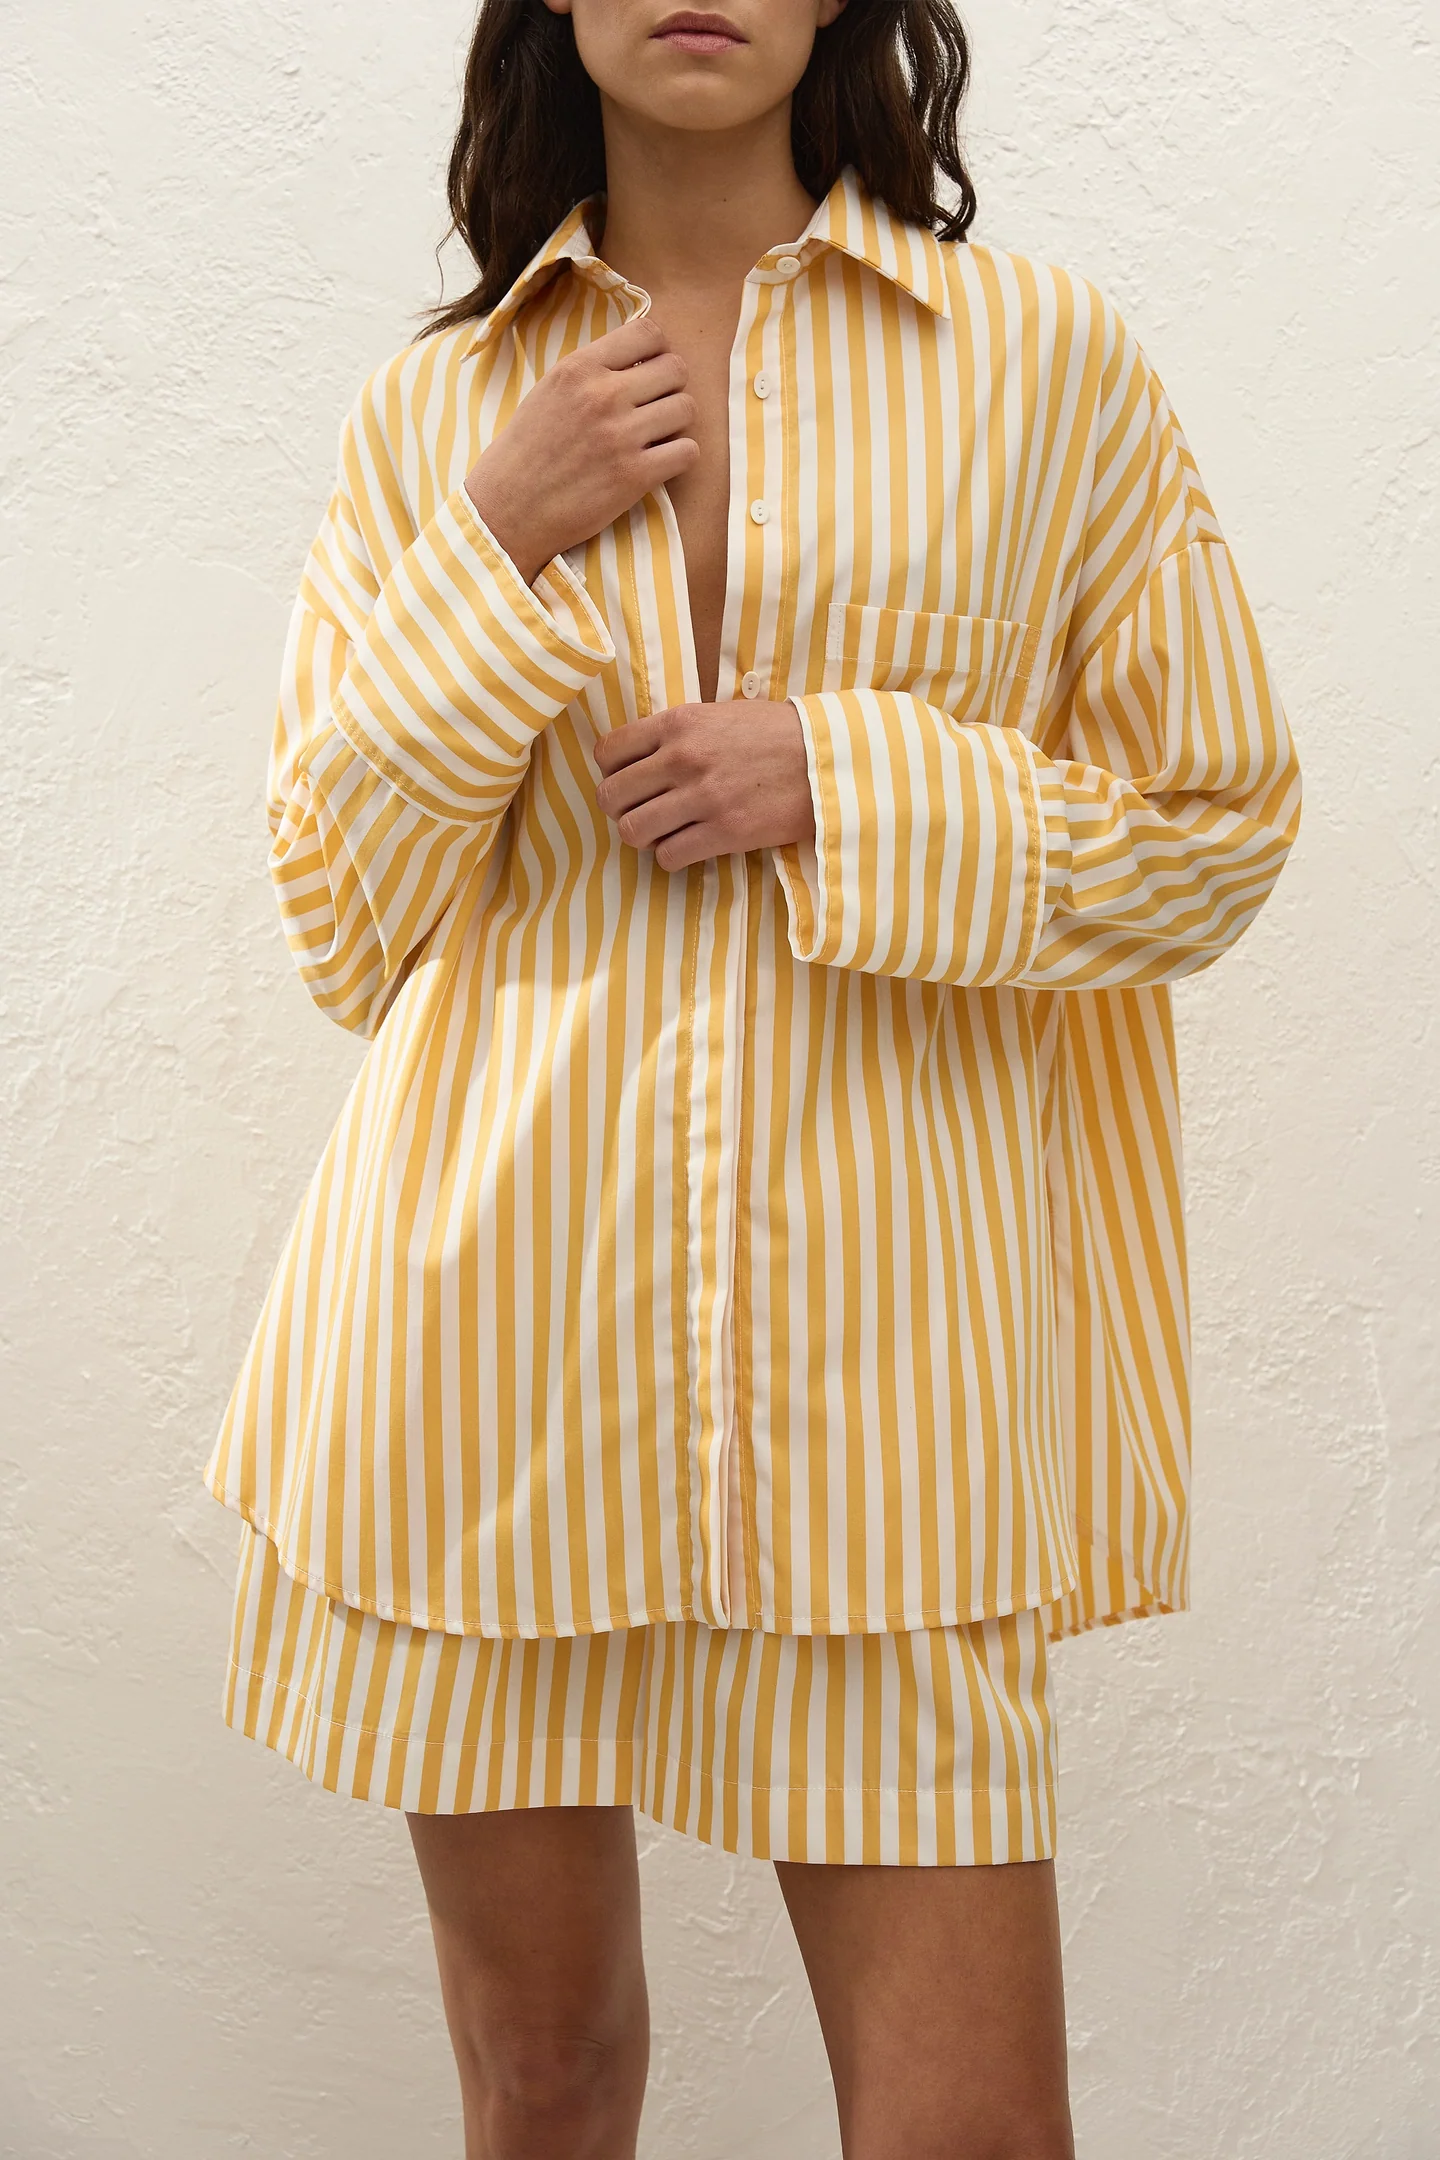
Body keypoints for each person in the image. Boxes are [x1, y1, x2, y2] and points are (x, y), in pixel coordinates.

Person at [202, 1, 1302, 2152]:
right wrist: (492, 544)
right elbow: (343, 926)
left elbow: (1215, 830)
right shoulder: (440, 412)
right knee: (545, 2081)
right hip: (483, 1374)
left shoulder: (1042, 365)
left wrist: (853, 781)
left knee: (971, 2129)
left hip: (896, 1411)